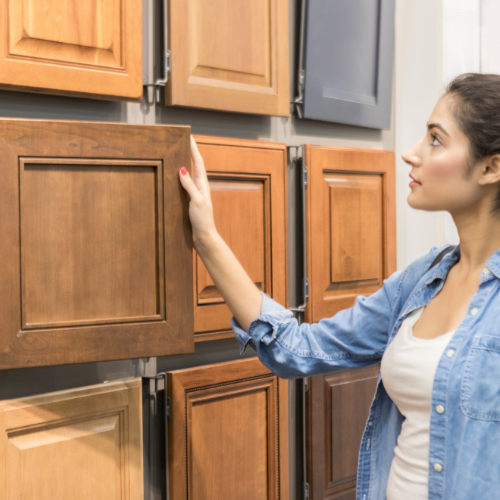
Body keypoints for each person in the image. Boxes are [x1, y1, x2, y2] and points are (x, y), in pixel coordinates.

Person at [178, 73, 500, 500]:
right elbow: (297, 349)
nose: (410, 154)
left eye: (435, 140)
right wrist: (207, 238)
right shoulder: (422, 280)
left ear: (491, 166)